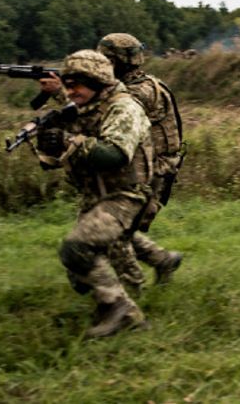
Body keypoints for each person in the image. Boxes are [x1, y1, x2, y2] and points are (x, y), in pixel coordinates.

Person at [35, 50, 153, 338]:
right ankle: (118, 300)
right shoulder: (83, 108)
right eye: (67, 84)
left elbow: (114, 155)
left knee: (76, 248)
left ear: (99, 83)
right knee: (80, 274)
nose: (70, 91)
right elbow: (56, 159)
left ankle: (123, 310)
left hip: (126, 195)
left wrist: (70, 141)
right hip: (94, 195)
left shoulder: (124, 108)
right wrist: (50, 143)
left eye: (77, 85)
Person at [96, 33, 185, 291]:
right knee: (110, 225)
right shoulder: (133, 85)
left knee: (113, 230)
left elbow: (107, 113)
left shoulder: (140, 91)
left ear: (116, 62)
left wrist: (66, 92)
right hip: (141, 169)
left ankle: (130, 294)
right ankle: (163, 260)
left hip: (153, 172)